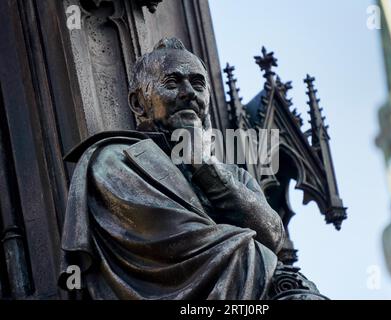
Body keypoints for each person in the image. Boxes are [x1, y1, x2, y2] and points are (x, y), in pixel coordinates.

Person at [58, 38, 287, 299]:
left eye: (198, 83)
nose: (189, 92)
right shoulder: (113, 160)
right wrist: (246, 249)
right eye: (172, 83)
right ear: (138, 103)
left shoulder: (236, 175)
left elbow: (272, 236)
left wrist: (205, 165)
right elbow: (177, 242)